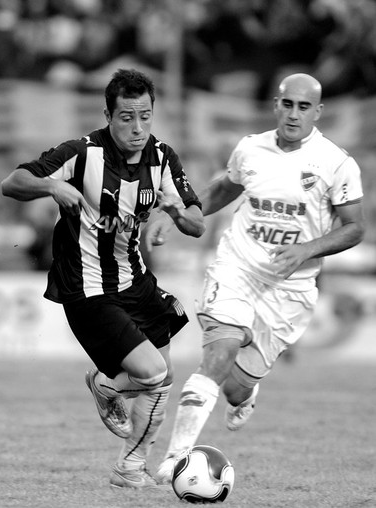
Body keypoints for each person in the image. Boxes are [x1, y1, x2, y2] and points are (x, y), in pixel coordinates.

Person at [146, 73, 365, 484]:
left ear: (318, 112)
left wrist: (306, 249)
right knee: (217, 354)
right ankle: (176, 458)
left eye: (304, 107)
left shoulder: (337, 164)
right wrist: (176, 213)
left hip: (290, 287)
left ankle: (246, 393)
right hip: (237, 267)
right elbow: (224, 189)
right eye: (288, 104)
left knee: (235, 387)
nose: (294, 113)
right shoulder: (250, 148)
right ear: (276, 105)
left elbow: (354, 228)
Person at [1, 68, 205, 488]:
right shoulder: (82, 152)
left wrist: (174, 211)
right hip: (88, 287)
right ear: (108, 115)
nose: (138, 127)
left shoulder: (163, 157)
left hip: (137, 280)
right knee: (149, 374)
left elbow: (197, 222)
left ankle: (130, 468)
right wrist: (50, 187)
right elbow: (12, 181)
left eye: (145, 116)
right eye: (127, 117)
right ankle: (104, 383)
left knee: (162, 382)